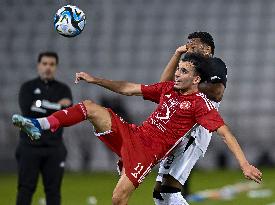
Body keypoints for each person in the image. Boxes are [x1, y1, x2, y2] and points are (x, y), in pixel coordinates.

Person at [12, 53, 262, 205]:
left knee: (118, 198)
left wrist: (244, 164)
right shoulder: (167, 90)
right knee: (89, 107)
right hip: (132, 134)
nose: (176, 74)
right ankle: (40, 125)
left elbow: (224, 132)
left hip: (146, 154)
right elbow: (128, 88)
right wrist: (95, 79)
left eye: (183, 71)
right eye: (178, 69)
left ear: (196, 79)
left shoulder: (199, 105)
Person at [153, 32, 227, 205]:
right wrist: (177, 54)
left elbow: (217, 92)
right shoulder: (188, 67)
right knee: (159, 193)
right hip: (177, 130)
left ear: (207, 49)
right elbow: (162, 86)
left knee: (169, 191)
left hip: (195, 131)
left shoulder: (214, 64)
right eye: (188, 45)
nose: (189, 48)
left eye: (193, 45)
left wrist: (189, 85)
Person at [14, 52, 73, 205]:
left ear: (56, 67)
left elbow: (67, 114)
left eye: (52, 64)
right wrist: (58, 106)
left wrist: (40, 104)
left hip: (55, 148)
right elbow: (27, 110)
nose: (48, 67)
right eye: (45, 63)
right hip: (29, 147)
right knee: (25, 188)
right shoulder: (27, 87)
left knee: (53, 191)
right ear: (38, 65)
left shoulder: (64, 89)